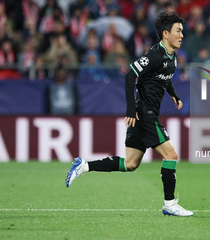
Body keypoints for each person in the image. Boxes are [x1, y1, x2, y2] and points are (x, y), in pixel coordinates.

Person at [65, 11, 193, 217]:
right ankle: (169, 204)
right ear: (166, 33)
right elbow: (129, 75)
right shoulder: (154, 54)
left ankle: (84, 166)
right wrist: (131, 109)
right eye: (178, 31)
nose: (182, 35)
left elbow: (165, 77)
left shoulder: (172, 56)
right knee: (171, 155)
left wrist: (174, 95)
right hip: (145, 113)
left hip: (147, 113)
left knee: (131, 164)